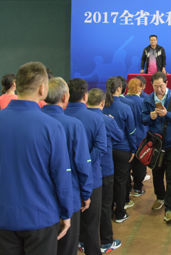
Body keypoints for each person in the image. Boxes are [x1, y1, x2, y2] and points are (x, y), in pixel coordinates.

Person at [0, 62, 72, 255]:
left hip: (4, 216)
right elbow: (61, 175)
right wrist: (66, 212)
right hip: (42, 217)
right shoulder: (52, 127)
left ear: (17, 85)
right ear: (42, 89)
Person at [41, 78, 92, 255]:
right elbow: (82, 164)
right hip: (70, 196)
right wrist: (86, 193)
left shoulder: (34, 123)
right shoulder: (74, 125)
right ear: (65, 97)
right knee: (68, 247)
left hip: (39, 200)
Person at [65, 78, 107, 255]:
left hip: (64, 181)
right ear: (85, 96)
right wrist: (85, 163)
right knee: (91, 226)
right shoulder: (96, 118)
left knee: (67, 229)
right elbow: (101, 147)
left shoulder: (60, 117)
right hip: (92, 179)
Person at [141, 72, 171, 224]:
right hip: (155, 145)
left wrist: (167, 114)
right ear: (151, 85)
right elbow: (143, 119)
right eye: (156, 86)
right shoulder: (148, 99)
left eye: (161, 86)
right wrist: (150, 117)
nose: (159, 89)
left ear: (166, 83)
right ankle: (160, 197)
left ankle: (170, 208)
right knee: (157, 173)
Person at [87, 88, 124, 254]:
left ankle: (83, 240)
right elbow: (119, 137)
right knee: (105, 206)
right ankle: (106, 241)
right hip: (104, 170)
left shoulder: (78, 118)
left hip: (83, 170)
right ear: (103, 103)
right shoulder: (107, 120)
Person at [102, 77, 138, 223]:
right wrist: (133, 149)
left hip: (105, 150)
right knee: (121, 182)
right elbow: (131, 132)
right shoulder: (125, 108)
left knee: (107, 182)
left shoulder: (102, 106)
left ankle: (108, 211)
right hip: (122, 150)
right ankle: (120, 213)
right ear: (119, 89)